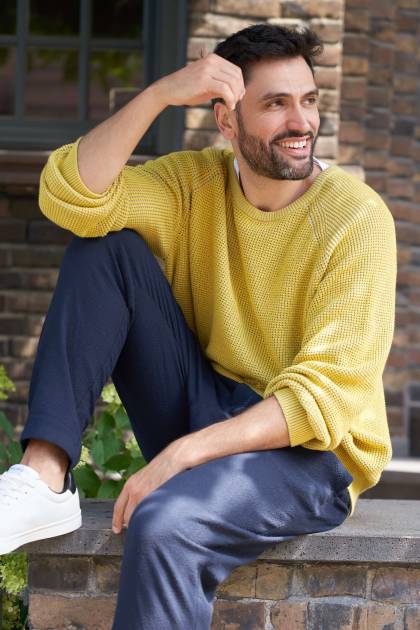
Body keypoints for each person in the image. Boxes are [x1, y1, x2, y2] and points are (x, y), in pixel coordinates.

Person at [0, 23, 396, 629]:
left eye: (309, 100)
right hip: (207, 405)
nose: (302, 122)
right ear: (227, 120)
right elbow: (73, 196)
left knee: (167, 523)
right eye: (276, 104)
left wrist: (181, 454)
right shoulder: (194, 185)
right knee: (103, 249)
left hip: (310, 454)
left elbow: (322, 399)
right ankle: (45, 475)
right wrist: (160, 93)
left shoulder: (355, 218)